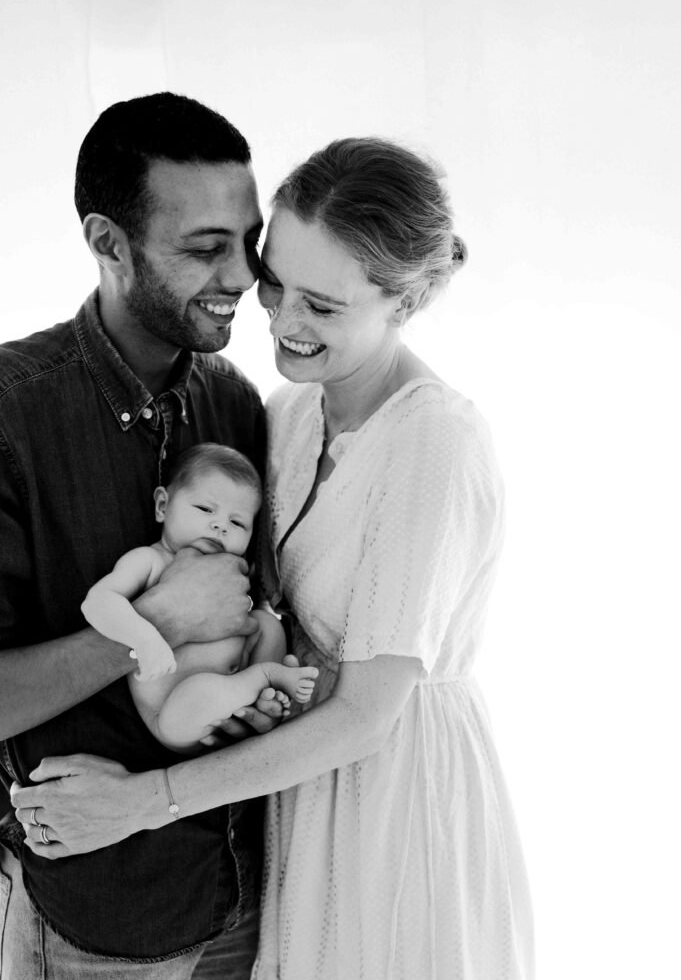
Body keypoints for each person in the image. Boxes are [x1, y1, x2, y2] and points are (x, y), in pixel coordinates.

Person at [12, 138, 535, 978]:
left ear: (403, 302)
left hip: (395, 800)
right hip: (297, 802)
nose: (284, 322)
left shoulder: (433, 440)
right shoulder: (285, 416)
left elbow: (367, 715)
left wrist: (140, 803)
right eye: (275, 283)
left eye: (322, 307)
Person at [0, 93, 288, 978]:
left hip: (247, 892)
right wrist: (151, 626)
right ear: (108, 244)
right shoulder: (13, 415)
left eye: (248, 241)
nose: (241, 275)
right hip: (98, 919)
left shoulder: (237, 404)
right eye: (204, 248)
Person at [82, 441, 317, 752]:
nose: (220, 525)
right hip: (177, 716)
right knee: (199, 691)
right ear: (163, 506)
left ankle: (264, 694)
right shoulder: (152, 561)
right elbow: (98, 601)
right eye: (205, 509)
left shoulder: (234, 571)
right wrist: (145, 640)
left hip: (233, 702)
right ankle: (265, 677)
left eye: (237, 522)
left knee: (266, 624)